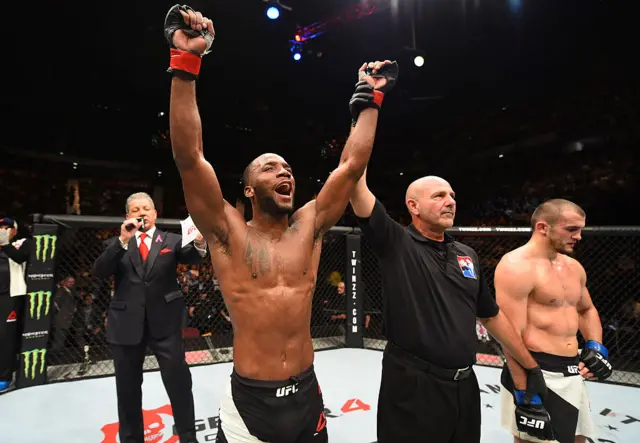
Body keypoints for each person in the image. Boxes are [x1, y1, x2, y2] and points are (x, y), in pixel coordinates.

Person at [163, 4, 397, 442]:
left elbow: (350, 167)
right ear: (249, 189)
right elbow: (189, 158)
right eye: (270, 168)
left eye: (287, 168)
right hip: (250, 401)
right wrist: (185, 62)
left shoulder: (308, 227)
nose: (284, 172)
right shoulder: (227, 232)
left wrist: (370, 99)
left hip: (307, 393)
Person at [348, 174, 551, 442]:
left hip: (464, 384)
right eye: (439, 196)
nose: (450, 201)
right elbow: (356, 185)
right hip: (414, 384)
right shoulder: (396, 243)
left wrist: (530, 365)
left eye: (452, 196)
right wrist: (359, 140)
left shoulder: (467, 255)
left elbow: (490, 315)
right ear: (413, 206)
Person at [93, 192, 208, 443]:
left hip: (165, 323)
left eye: (146, 208)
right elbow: (100, 271)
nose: (142, 212)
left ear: (155, 214)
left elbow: (192, 255)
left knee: (178, 382)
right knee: (127, 389)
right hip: (126, 325)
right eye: (136, 209)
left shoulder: (171, 239)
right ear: (128, 216)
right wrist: (123, 240)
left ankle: (188, 437)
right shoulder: (116, 244)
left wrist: (199, 242)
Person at [495, 199, 613, 443]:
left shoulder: (573, 267)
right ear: (542, 227)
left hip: (571, 370)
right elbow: (509, 335)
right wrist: (525, 393)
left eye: (580, 229)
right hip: (536, 370)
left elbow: (586, 310)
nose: (578, 236)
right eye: (571, 229)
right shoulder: (516, 266)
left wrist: (596, 347)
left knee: (577, 439)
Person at [0, 217, 29, 392]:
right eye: (0, 227)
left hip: (10, 296)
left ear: (14, 230)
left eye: (6, 228)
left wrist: (5, 244)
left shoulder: (21, 243)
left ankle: (4, 376)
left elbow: (19, 258)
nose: (3, 230)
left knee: (6, 337)